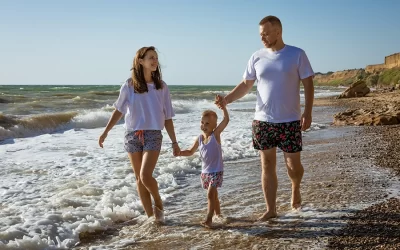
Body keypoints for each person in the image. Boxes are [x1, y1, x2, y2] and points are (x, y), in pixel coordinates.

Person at [215, 15, 314, 221]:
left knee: (293, 167)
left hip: (290, 120)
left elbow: (308, 84)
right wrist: (227, 100)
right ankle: (271, 209)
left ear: (278, 32)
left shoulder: (297, 54)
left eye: (266, 33)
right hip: (263, 120)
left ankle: (295, 187)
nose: (263, 37)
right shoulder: (256, 56)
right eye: (260, 34)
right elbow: (245, 85)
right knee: (267, 165)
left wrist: (308, 112)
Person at [98, 46, 181, 223]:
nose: (155, 61)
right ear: (140, 61)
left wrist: (174, 142)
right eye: (151, 57)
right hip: (132, 135)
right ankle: (152, 218)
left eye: (156, 58)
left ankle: (157, 200)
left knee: (145, 176)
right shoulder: (129, 85)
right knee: (139, 179)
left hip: (153, 135)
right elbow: (118, 111)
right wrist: (106, 131)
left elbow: (167, 117)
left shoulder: (161, 87)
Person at [179, 103, 229, 228]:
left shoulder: (215, 135)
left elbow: (226, 120)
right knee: (214, 196)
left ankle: (209, 218)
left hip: (216, 171)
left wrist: (224, 109)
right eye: (202, 122)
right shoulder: (200, 139)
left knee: (210, 194)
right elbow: (190, 151)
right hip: (205, 172)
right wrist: (179, 152)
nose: (204, 125)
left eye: (207, 123)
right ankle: (218, 215)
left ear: (214, 125)